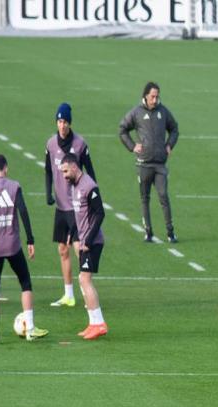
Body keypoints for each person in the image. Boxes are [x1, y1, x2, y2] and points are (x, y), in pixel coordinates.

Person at [0, 154, 48, 344]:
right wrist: (30, 240)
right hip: (13, 246)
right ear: (6, 168)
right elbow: (23, 211)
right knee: (25, 283)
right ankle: (30, 329)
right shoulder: (15, 186)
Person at [45, 102, 97, 307]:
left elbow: (91, 171)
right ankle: (68, 295)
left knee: (79, 248)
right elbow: (48, 170)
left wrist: (93, 196)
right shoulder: (50, 144)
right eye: (59, 121)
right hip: (61, 206)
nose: (62, 125)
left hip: (77, 206)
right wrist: (48, 192)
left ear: (70, 123)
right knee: (62, 249)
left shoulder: (80, 144)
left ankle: (87, 292)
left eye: (65, 121)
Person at [119, 81, 179, 243]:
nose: (155, 99)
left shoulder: (163, 112)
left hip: (160, 164)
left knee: (163, 196)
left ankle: (170, 232)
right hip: (144, 164)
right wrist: (132, 146)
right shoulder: (136, 112)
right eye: (152, 96)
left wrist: (169, 145)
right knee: (145, 198)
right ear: (145, 96)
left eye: (157, 96)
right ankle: (148, 232)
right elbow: (122, 129)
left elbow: (174, 129)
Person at [60, 153, 108, 340]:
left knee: (84, 279)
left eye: (65, 171)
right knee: (83, 279)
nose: (64, 176)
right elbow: (79, 214)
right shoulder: (74, 185)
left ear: (74, 166)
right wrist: (73, 231)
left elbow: (100, 213)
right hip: (84, 239)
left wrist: (88, 240)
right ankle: (93, 323)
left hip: (92, 242)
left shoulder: (89, 185)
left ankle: (100, 324)